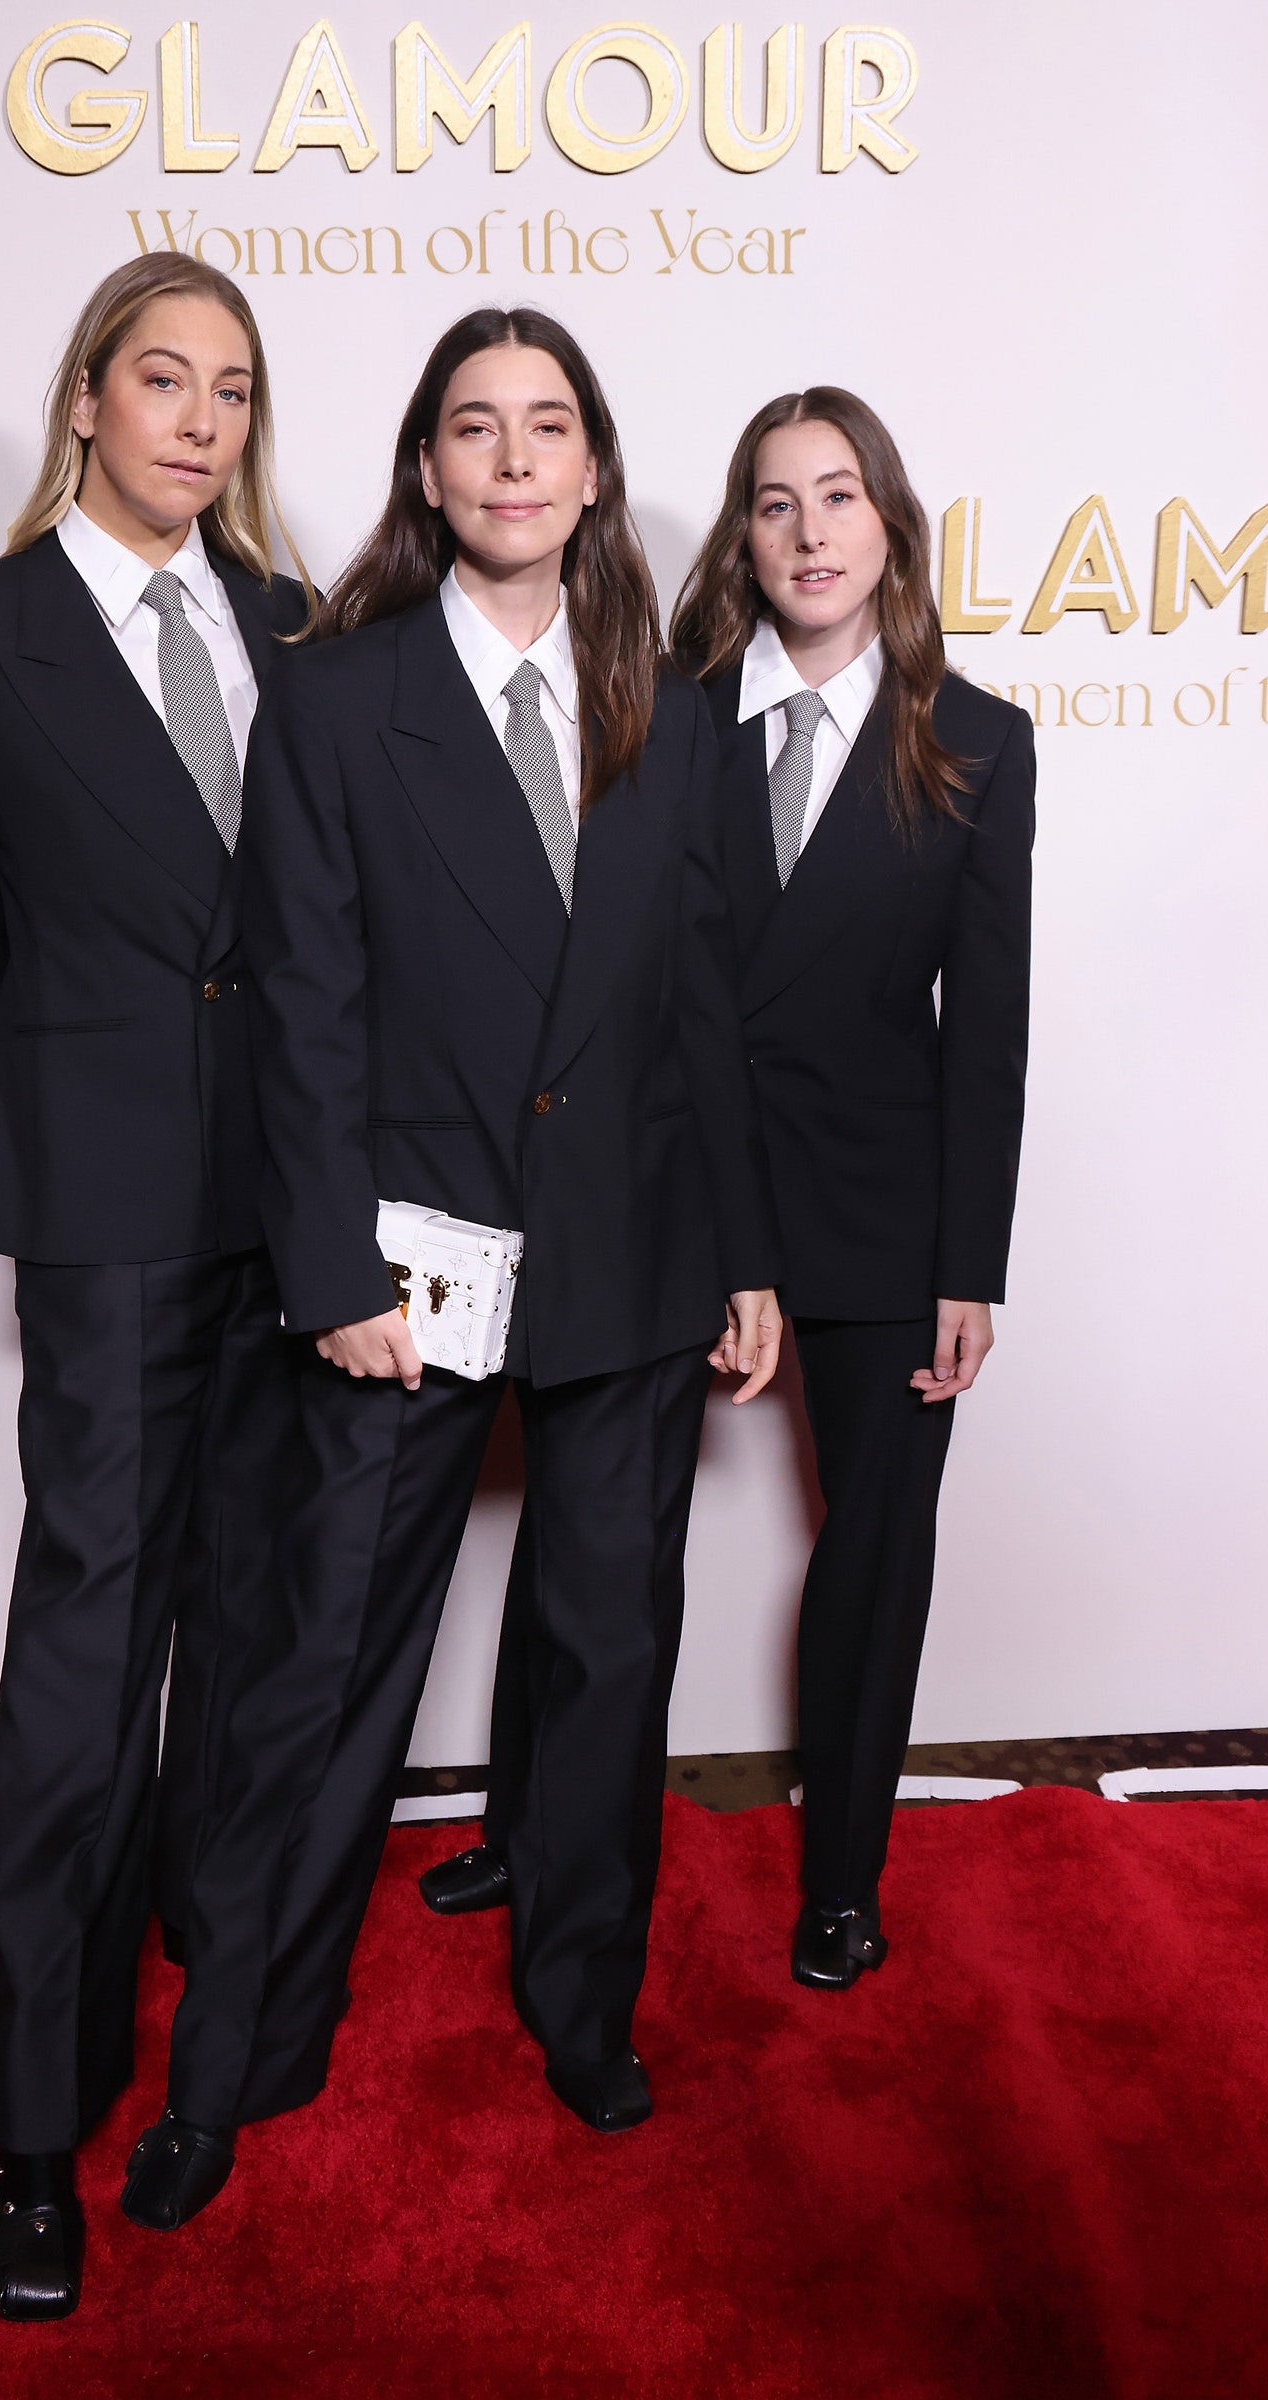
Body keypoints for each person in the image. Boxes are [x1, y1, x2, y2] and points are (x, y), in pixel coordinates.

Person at [114, 307, 782, 2236]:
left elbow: (703, 1010)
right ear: (425, 469)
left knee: (606, 1658)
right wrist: (330, 1267)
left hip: (635, 1261)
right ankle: (236, 2050)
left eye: (547, 427)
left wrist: (739, 1250)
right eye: (472, 429)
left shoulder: (676, 695)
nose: (510, 459)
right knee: (320, 1673)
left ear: (589, 468)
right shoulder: (340, 697)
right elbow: (303, 1014)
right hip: (402, 1280)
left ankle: (585, 2007)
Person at [0, 253, 313, 2320]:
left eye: (232, 388)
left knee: (247, 1629)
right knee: (86, 1650)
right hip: (112, 1216)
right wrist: (69, 1175)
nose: (200, 419)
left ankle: (207, 2002)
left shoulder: (296, 625)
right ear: (86, 398)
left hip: (294, 1221)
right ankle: (31, 2126)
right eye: (165, 378)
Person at [671, 386, 1035, 1989]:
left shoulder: (977, 740)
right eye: (774, 503)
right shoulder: (670, 717)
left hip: (886, 1210)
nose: (810, 533)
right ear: (743, 539)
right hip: (677, 1186)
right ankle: (534, 1822)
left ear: (889, 522)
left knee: (880, 1548)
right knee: (590, 1535)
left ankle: (842, 1872)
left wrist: (973, 1264)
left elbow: (989, 1032)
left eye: (838, 496)